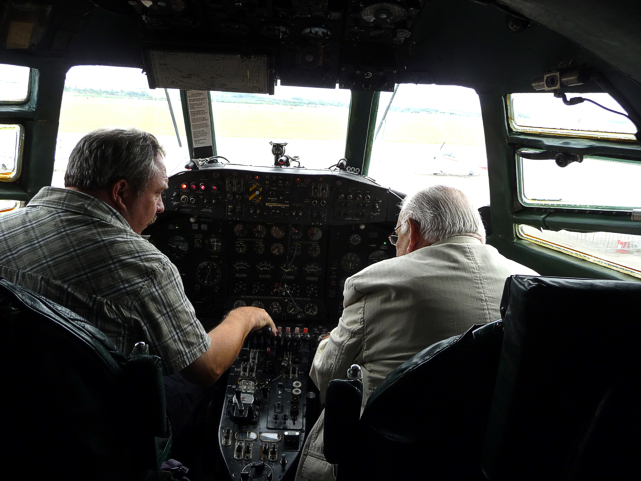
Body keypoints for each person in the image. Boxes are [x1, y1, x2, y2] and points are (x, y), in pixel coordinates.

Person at [0, 127, 275, 433]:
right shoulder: (145, 266)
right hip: (92, 429)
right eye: (157, 193)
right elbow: (206, 367)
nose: (162, 207)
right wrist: (244, 316)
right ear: (121, 192)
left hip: (15, 410)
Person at [295, 185, 538, 481]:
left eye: (396, 236)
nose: (396, 246)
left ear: (412, 230)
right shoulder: (532, 285)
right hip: (487, 461)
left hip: (390, 463)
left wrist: (325, 344)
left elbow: (327, 376)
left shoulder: (379, 281)